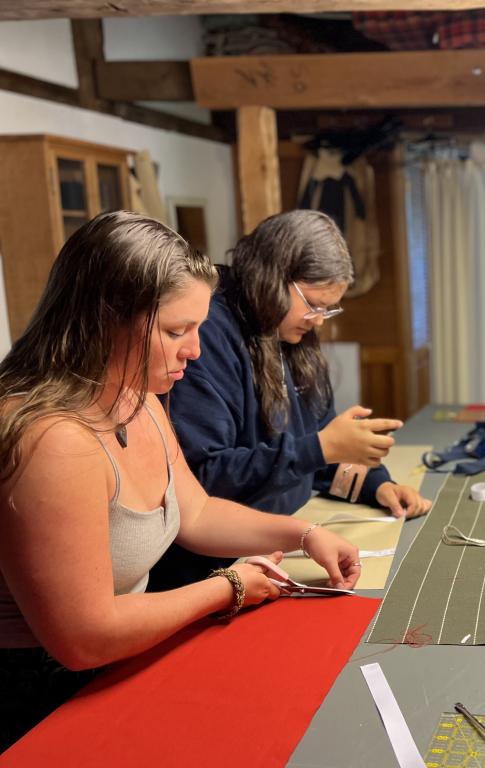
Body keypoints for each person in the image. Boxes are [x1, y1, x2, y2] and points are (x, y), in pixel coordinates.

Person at [0, 212, 363, 750]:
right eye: (176, 331)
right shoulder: (52, 438)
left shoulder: (138, 396)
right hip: (40, 700)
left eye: (197, 328)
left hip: (114, 665)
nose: (194, 350)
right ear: (107, 319)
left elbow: (196, 512)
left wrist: (302, 534)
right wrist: (228, 587)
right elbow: (84, 637)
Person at [148, 210, 430, 591]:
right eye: (313, 304)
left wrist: (375, 485)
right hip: (217, 566)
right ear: (273, 278)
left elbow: (317, 446)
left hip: (278, 542)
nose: (319, 321)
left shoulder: (288, 333)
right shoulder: (209, 335)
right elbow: (207, 480)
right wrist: (320, 448)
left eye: (328, 309)